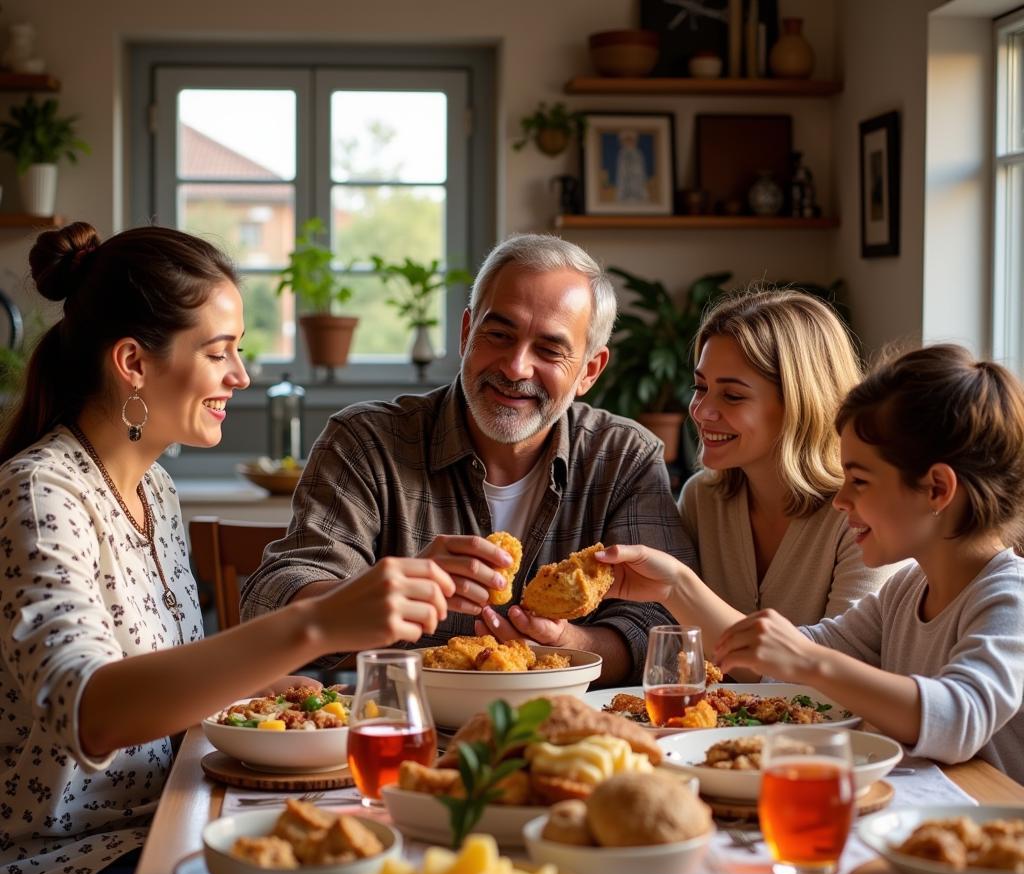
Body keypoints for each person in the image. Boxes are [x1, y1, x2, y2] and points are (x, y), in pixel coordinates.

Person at [0, 223, 454, 874]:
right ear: (134, 363)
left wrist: (299, 699)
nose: (240, 374)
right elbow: (95, 712)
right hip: (52, 873)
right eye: (219, 351)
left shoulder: (155, 491)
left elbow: (182, 698)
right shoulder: (39, 495)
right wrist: (316, 624)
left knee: (393, 868)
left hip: (164, 829)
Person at [241, 233, 696, 684]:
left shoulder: (623, 457)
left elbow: (659, 630)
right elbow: (273, 597)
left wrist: (570, 643)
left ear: (589, 371)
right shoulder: (366, 441)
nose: (516, 367)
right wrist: (390, 591)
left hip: (565, 739)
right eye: (498, 334)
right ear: (466, 333)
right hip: (400, 725)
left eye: (549, 350)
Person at [597, 344, 1024, 781]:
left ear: (936, 489)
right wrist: (674, 587)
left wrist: (806, 660)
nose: (841, 500)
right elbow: (770, 660)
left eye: (858, 480)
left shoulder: (1010, 598)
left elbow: (958, 721)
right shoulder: (907, 591)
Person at [680, 288, 896, 632]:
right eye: (700, 387)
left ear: (799, 403)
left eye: (732, 396)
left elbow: (844, 666)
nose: (702, 411)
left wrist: (679, 588)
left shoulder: (860, 512)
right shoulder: (701, 499)